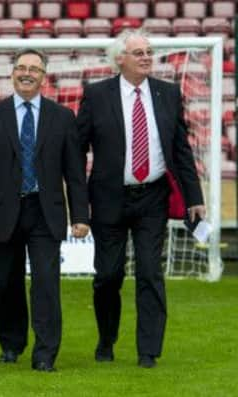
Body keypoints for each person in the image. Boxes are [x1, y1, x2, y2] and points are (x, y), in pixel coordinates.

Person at [76, 29, 206, 368]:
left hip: (153, 198)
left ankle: (148, 351)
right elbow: (77, 150)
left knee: (150, 272)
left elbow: (180, 149)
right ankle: (107, 338)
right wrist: (76, 203)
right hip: (108, 200)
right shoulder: (96, 95)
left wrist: (194, 196)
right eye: (139, 52)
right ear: (119, 58)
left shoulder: (167, 93)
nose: (147, 57)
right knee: (108, 275)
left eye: (149, 51)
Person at [0, 49, 90, 372]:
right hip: (2, 213)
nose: (27, 73)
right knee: (6, 282)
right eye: (21, 67)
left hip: (45, 211)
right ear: (12, 73)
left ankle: (45, 353)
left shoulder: (63, 117)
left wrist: (81, 215)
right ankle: (11, 344)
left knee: (46, 283)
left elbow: (75, 173)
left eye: (34, 69)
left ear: (43, 76)